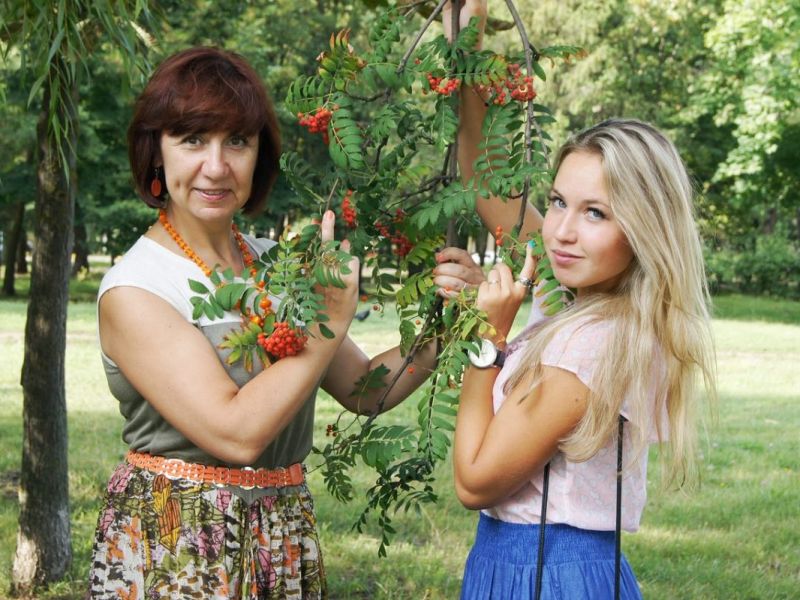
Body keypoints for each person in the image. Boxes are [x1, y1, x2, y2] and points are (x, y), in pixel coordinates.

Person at [88, 46, 482, 599]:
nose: (217, 166)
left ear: (259, 156)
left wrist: (449, 320)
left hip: (281, 536)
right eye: (192, 139)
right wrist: (327, 323)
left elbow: (365, 389)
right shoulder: (136, 288)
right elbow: (236, 433)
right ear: (156, 152)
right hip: (178, 545)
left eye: (238, 142)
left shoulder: (274, 263)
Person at [444, 2, 716, 598]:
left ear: (644, 229)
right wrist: (463, 47)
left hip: (544, 573)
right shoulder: (583, 299)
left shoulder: (591, 340)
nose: (561, 230)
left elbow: (475, 481)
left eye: (596, 213)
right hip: (540, 566)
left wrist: (484, 342)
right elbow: (491, 184)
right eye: (559, 201)